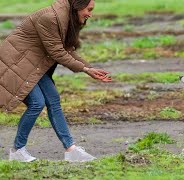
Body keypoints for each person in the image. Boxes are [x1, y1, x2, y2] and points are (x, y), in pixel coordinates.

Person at [0, 0, 112, 162]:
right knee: (37, 103)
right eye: (89, 9)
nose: (90, 14)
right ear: (78, 6)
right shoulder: (50, 18)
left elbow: (66, 50)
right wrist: (85, 69)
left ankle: (70, 149)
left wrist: (89, 69)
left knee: (53, 99)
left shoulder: (65, 18)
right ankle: (18, 150)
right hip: (17, 65)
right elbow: (57, 52)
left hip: (34, 65)